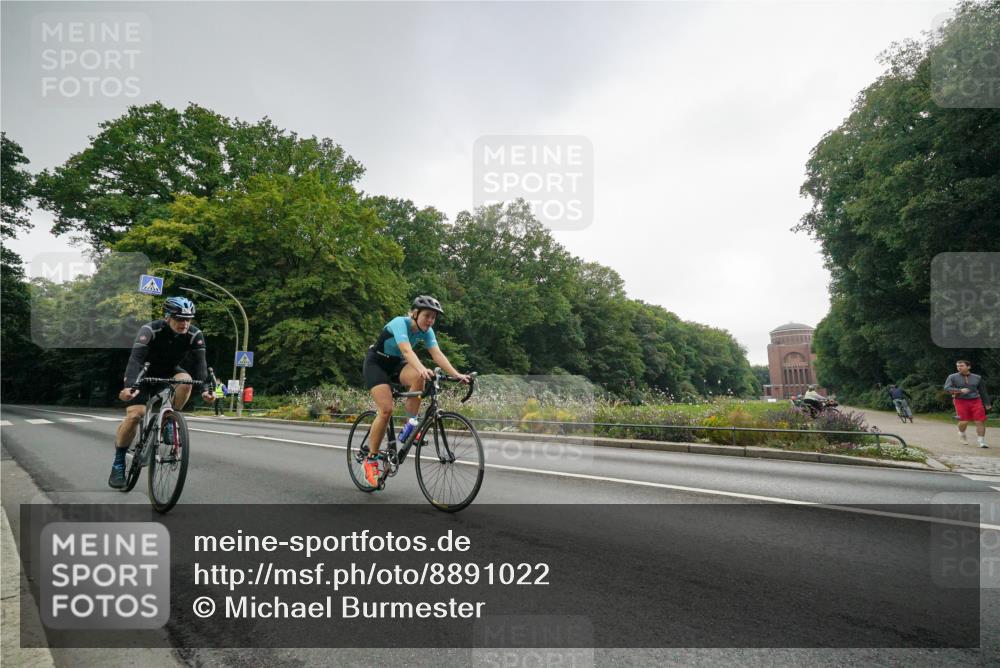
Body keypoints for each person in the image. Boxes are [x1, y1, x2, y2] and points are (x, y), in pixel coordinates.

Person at [361, 296, 469, 487]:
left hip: (396, 365)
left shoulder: (427, 332)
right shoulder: (399, 323)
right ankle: (370, 460)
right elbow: (407, 351)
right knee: (386, 410)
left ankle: (409, 425)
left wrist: (457, 374)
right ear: (414, 313)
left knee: (421, 377)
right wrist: (421, 368)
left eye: (433, 317)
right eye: (427, 315)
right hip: (376, 364)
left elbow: (436, 354)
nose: (430, 320)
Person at [109, 296, 214, 488]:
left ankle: (169, 419)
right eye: (180, 319)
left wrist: (206, 389)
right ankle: (118, 463)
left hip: (170, 371)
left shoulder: (194, 334)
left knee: (186, 381)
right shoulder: (150, 330)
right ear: (167, 317)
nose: (185, 323)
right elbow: (135, 360)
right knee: (136, 415)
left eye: (188, 319)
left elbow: (201, 364)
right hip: (144, 373)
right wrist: (129, 386)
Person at [944, 360, 992, 448]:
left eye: (961, 366)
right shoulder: (952, 377)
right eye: (958, 366)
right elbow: (947, 388)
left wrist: (987, 403)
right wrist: (959, 390)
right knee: (964, 421)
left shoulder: (977, 377)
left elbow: (983, 391)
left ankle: (981, 441)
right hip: (960, 400)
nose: (959, 367)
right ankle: (962, 433)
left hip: (976, 400)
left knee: (979, 421)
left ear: (968, 367)